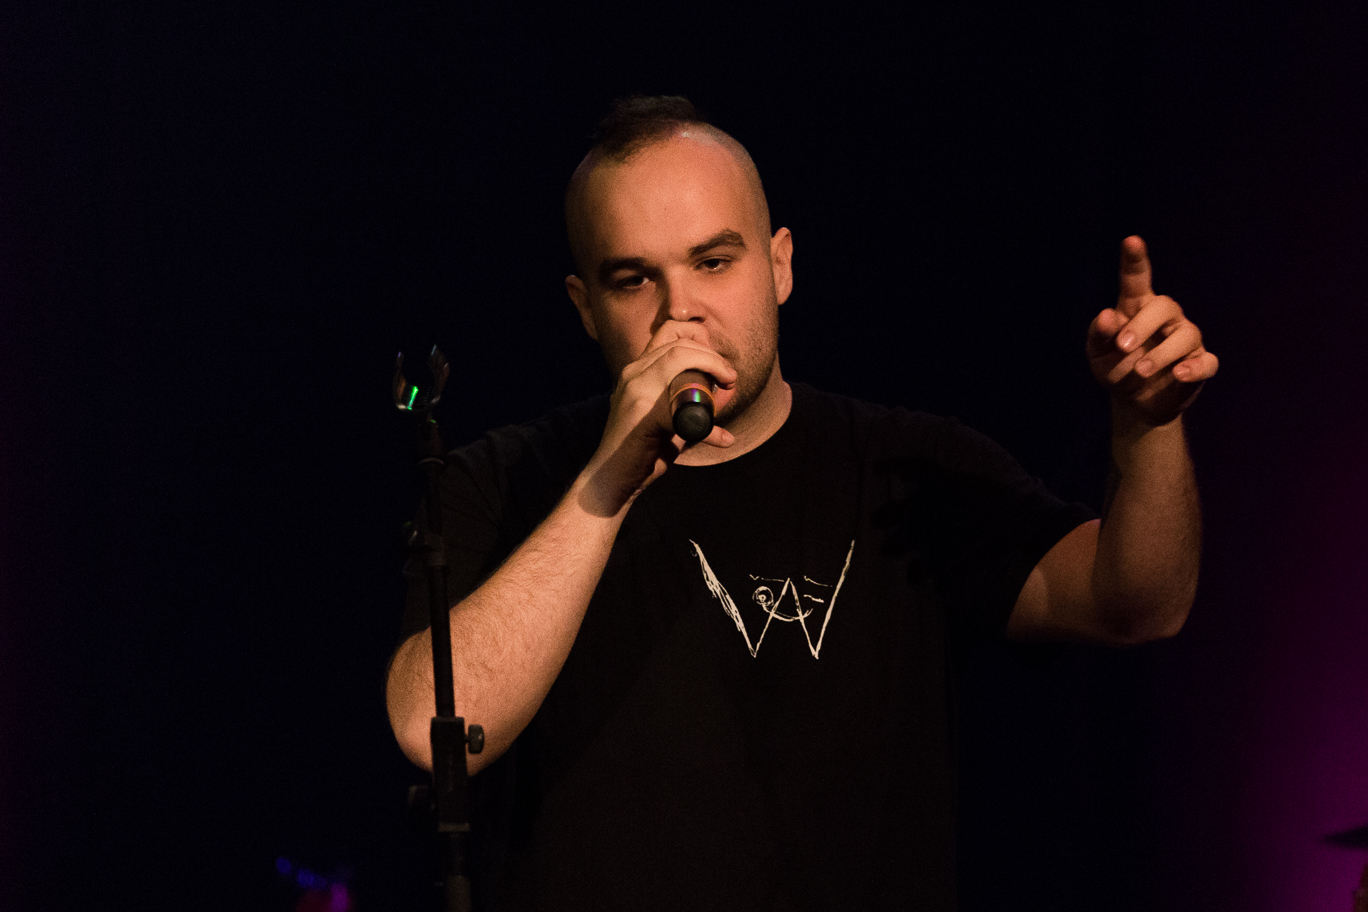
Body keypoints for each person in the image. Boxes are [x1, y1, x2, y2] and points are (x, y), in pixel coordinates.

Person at [385, 96, 1218, 910]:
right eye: (634, 279)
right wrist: (608, 483)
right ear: (585, 308)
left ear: (780, 265)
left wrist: (1147, 430)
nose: (680, 310)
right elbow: (431, 727)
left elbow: (1139, 604)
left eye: (714, 262)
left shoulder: (902, 465)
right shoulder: (506, 478)